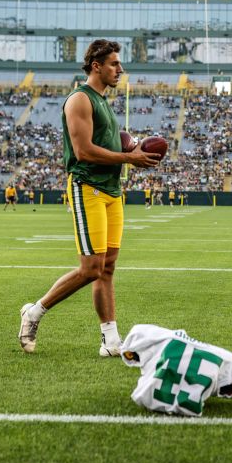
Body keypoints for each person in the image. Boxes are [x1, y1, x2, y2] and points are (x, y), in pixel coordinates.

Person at [18, 40, 160, 357]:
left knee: (107, 269)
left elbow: (106, 146)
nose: (120, 69)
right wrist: (128, 160)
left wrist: (130, 151)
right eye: (113, 64)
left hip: (111, 191)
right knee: (91, 268)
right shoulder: (80, 100)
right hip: (88, 188)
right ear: (96, 66)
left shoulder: (104, 102)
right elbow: (83, 151)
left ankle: (110, 341)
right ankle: (34, 311)